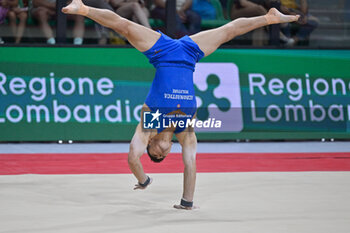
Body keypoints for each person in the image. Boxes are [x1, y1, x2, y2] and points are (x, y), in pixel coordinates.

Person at [62, 0, 299, 210]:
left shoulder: (150, 123)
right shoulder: (184, 131)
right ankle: (269, 18)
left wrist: (144, 180)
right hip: (189, 55)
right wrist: (187, 202)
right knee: (229, 30)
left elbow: (133, 157)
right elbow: (190, 164)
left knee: (123, 25)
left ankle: (83, 8)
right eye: (164, 156)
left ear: (152, 143)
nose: (162, 153)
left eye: (155, 154)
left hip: (162, 52)